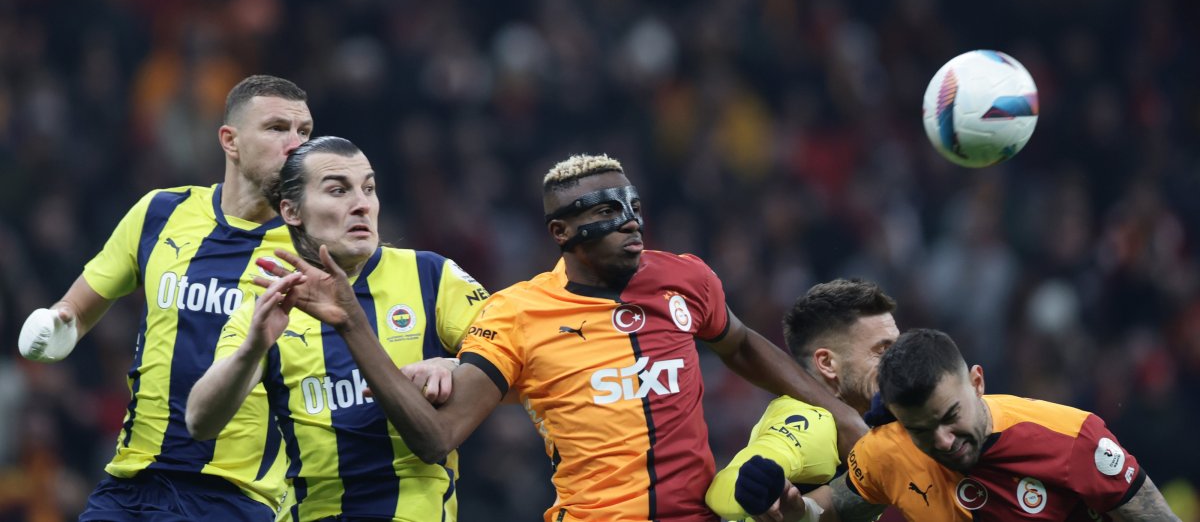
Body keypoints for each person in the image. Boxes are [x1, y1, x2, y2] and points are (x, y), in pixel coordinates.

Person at [256, 153, 868, 522]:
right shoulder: (517, 314)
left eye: (631, 205)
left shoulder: (683, 277)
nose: (629, 223)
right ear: (561, 232)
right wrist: (356, 326)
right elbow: (435, 438)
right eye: (606, 212)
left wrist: (837, 410)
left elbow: (738, 343)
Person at [16, 75, 313, 521]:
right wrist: (56, 324)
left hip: (233, 497)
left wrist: (446, 362)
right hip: (130, 484)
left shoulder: (312, 250)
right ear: (230, 141)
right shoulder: (160, 212)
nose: (296, 144)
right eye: (277, 129)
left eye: (305, 132)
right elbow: (75, 309)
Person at [186, 136, 491, 522]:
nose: (362, 203)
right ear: (291, 211)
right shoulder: (270, 303)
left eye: (369, 188)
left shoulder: (431, 274)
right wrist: (252, 350)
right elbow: (199, 421)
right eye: (338, 190)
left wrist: (454, 365)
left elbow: (520, 365)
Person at [785, 329, 1181, 521]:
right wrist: (791, 506)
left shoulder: (1073, 439)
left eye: (951, 417)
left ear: (977, 382)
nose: (942, 440)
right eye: (921, 430)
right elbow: (832, 508)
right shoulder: (887, 449)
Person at [704, 278, 899, 521]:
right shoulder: (813, 422)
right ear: (828, 364)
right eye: (881, 351)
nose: (897, 362)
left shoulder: (880, 430)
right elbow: (724, 486)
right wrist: (750, 490)